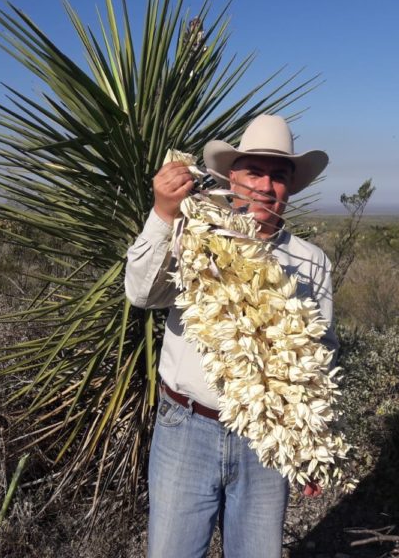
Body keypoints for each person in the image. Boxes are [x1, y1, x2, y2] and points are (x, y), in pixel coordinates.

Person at [125, 114, 339, 558]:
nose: (265, 186)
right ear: (231, 177)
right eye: (254, 172)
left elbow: (321, 356)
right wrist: (163, 213)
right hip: (187, 427)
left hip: (266, 439)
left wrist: (307, 444)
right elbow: (143, 294)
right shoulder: (193, 237)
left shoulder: (310, 261)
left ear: (290, 187)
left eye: (278, 176)